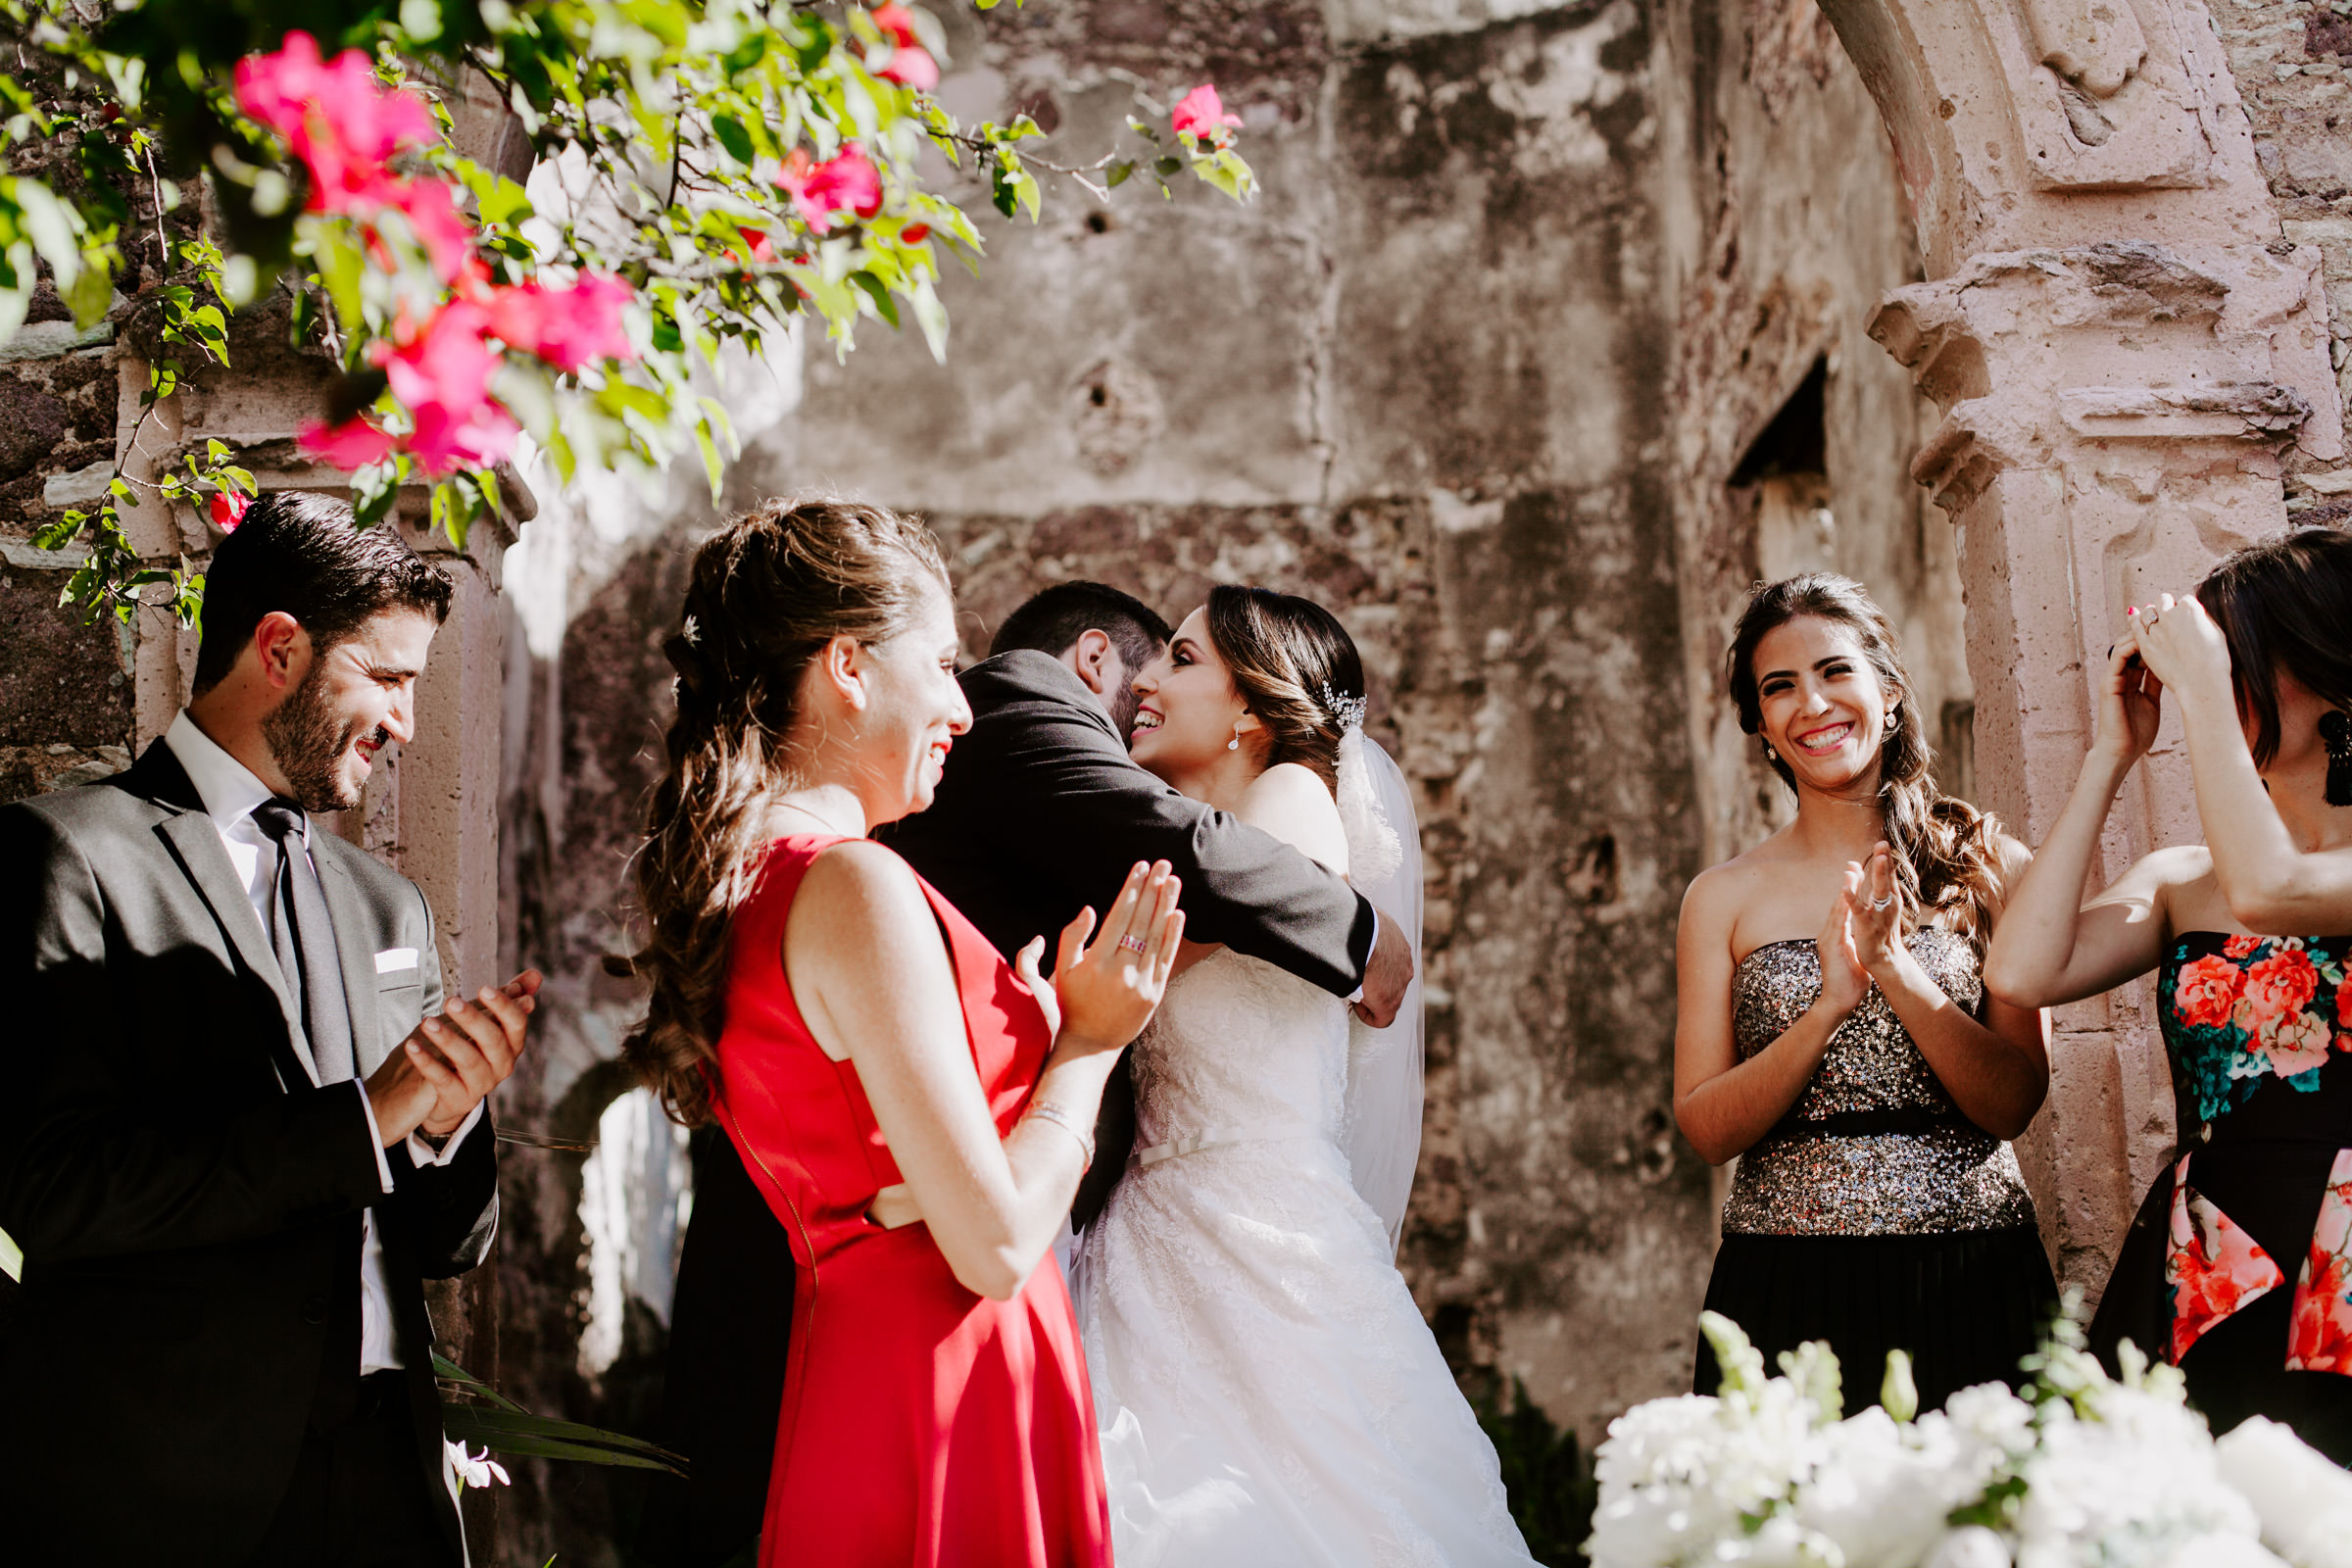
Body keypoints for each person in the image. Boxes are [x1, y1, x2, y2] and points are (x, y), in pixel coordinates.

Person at [643, 577, 1415, 1566]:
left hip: (990, 1236)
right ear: (1092, 662)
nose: (957, 707)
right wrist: (1363, 936)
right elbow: (1187, 851)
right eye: (1158, 665)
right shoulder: (1021, 705)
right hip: (902, 1246)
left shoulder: (1268, 798)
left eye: (1189, 665)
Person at [620, 500, 1187, 1568]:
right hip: (941, 1372)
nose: (963, 711)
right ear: (847, 665)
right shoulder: (853, 886)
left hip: (865, 1366)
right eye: (941, 663)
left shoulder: (757, 881)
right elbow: (999, 1242)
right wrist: (1092, 1046)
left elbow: (876, 1169)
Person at [0, 490, 541, 1566]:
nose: (406, 724)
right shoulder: (67, 855)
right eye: (386, 677)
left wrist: (449, 1114)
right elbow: (52, 1192)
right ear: (280, 648)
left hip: (388, 1495)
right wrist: (367, 1117)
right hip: (166, 1497)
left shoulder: (387, 906)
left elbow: (444, 1241)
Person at [1073, 585, 1535, 1567]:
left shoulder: (1285, 797)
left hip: (1253, 1232)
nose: (1146, 678)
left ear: (1252, 709)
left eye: (1183, 659)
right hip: (1160, 1235)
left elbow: (1146, 958)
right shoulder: (1206, 827)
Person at [1984, 526, 2352, 1459]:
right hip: (2213, 1256)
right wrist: (2114, 753)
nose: (2210, 689)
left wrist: (2199, 696)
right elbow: (2023, 972)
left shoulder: (2290, 878)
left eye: (2235, 662)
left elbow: (2275, 891)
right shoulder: (2183, 879)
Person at [1675, 572, 2055, 1412]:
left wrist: (1895, 971)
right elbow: (1705, 1128)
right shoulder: (1722, 898)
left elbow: (2015, 1103)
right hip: (1787, 1287)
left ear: (1887, 693)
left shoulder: (1990, 865)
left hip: (1973, 1274)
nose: (1811, 702)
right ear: (1764, 728)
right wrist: (1826, 1008)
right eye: (1779, 687)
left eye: (1834, 671)